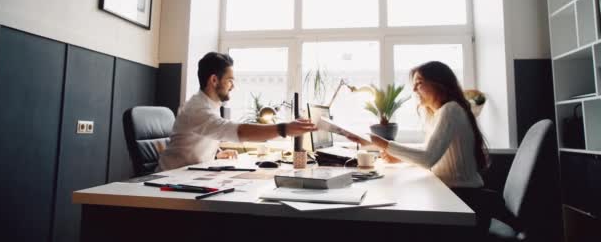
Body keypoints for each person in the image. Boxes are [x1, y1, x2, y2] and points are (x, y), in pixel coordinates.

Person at [350, 61, 490, 228]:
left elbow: (428, 158)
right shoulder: (441, 113)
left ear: (439, 84)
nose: (415, 90)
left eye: (419, 83)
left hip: (465, 199)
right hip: (456, 195)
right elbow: (430, 152)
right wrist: (400, 158)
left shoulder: (450, 110)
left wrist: (382, 143)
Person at [158, 52, 316, 171]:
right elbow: (237, 131)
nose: (233, 86)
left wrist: (216, 152)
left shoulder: (209, 104)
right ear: (214, 80)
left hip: (188, 174)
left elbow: (195, 139)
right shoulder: (197, 109)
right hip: (168, 180)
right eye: (230, 80)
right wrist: (284, 129)